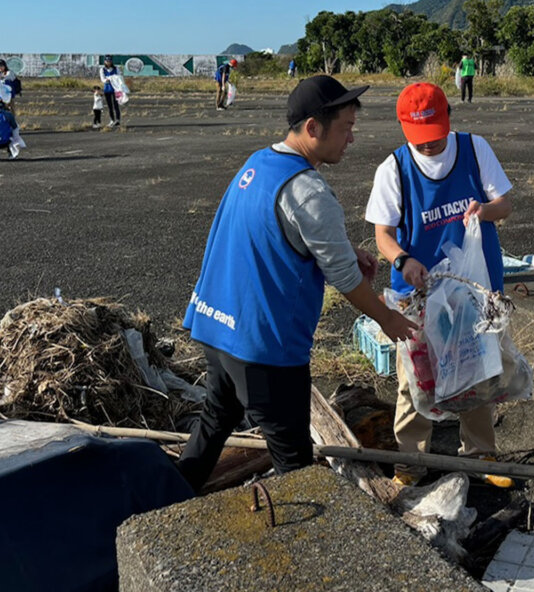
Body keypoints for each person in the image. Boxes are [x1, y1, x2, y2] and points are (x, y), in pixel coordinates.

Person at [177, 74, 417, 494]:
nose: (352, 139)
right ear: (313, 128)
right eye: (346, 127)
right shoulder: (308, 191)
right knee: (295, 463)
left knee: (214, 423)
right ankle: (307, 548)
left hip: (217, 329)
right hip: (265, 350)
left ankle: (167, 503)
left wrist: (342, 253)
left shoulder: (258, 163)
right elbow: (345, 279)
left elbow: (269, 239)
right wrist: (388, 320)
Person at [365, 82, 514, 488]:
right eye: (420, 141)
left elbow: (505, 204)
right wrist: (402, 259)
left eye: (435, 138)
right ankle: (411, 464)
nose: (429, 147)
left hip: (473, 286)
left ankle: (482, 455)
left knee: (477, 367)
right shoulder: (394, 168)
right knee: (415, 379)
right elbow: (383, 234)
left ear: (448, 121)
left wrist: (484, 211)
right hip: (419, 293)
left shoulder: (473, 148)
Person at [99, 55, 122, 128]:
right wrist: (107, 80)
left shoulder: (116, 68)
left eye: (109, 61)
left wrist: (115, 79)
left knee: (116, 105)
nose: (108, 62)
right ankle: (112, 120)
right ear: (105, 61)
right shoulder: (102, 70)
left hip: (116, 89)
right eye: (107, 61)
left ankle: (118, 120)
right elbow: (103, 79)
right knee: (110, 106)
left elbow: (120, 77)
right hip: (107, 90)